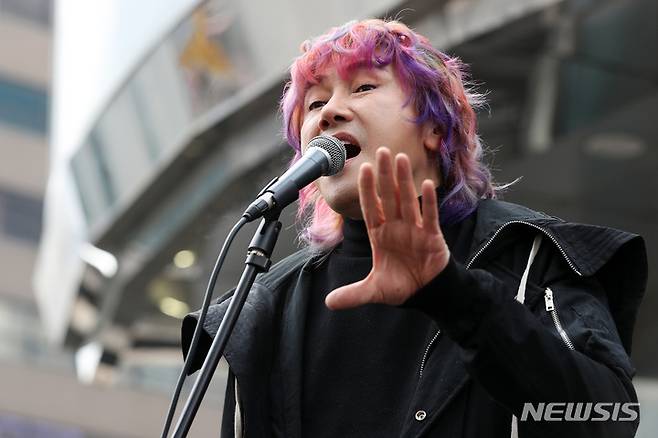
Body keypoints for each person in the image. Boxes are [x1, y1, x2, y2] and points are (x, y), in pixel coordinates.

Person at [181, 19, 647, 437]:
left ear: (435, 129)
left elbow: (608, 418)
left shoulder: (528, 255)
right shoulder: (267, 304)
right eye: (316, 101)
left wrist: (454, 296)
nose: (329, 113)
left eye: (363, 88)